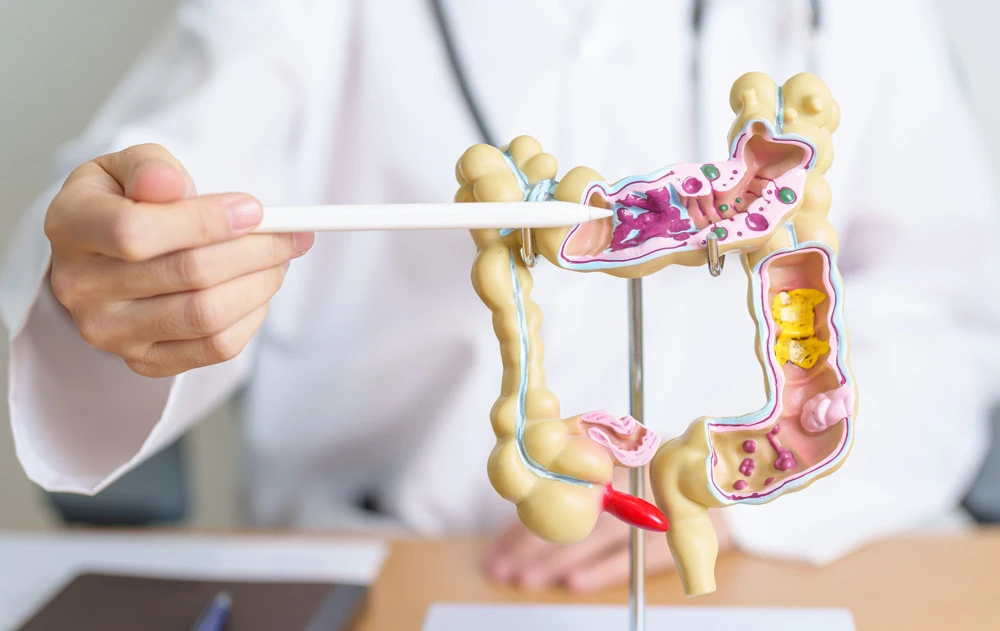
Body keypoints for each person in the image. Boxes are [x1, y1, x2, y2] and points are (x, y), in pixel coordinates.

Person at [2, 0, 999, 594]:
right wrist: (123, 269)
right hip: (402, 561)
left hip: (776, 569)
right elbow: (155, 183)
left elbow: (946, 308)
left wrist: (740, 488)